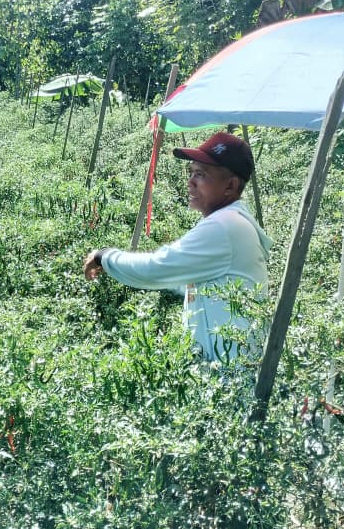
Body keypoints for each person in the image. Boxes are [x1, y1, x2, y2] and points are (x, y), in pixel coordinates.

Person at [83, 131, 273, 363]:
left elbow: (155, 269)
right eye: (191, 172)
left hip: (229, 372)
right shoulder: (231, 222)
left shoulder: (223, 226)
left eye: (201, 174)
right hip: (229, 368)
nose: (190, 182)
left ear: (230, 186)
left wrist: (104, 257)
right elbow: (191, 281)